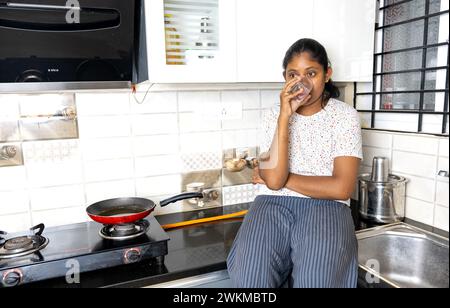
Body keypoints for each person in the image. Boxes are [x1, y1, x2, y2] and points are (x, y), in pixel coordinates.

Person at [226, 38, 363, 288]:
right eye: (293, 74)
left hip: (327, 208)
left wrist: (276, 178)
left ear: (327, 74)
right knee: (249, 278)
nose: (302, 82)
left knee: (317, 281)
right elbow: (274, 182)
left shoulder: (345, 116)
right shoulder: (273, 116)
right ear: (285, 78)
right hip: (270, 204)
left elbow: (340, 188)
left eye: (311, 73)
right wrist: (284, 115)